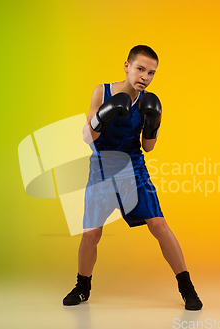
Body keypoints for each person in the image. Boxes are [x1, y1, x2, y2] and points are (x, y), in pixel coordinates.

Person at [63, 45, 203, 310]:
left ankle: (187, 288)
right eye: (140, 69)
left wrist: (153, 124)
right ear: (127, 66)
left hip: (133, 169)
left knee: (158, 224)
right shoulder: (101, 91)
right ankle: (82, 288)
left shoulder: (148, 102)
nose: (145, 77)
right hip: (101, 169)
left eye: (151, 73)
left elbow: (148, 147)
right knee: (91, 234)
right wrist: (104, 115)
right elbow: (86, 138)